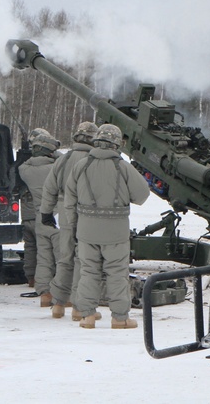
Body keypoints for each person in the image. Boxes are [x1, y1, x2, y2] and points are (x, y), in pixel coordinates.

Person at [64, 123, 150, 329]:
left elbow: (69, 200)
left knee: (88, 272)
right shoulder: (123, 167)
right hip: (116, 232)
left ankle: (87, 316)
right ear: (116, 143)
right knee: (117, 273)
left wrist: (76, 226)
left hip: (86, 231)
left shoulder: (81, 165)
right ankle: (120, 318)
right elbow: (142, 195)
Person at [41, 121, 98, 320]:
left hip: (65, 211)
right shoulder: (94, 160)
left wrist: (46, 212)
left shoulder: (63, 159)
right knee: (83, 259)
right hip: (87, 213)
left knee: (64, 258)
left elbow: (50, 188)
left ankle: (58, 304)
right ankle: (78, 305)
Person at [18, 127, 60, 303]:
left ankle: (43, 293)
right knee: (61, 258)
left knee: (42, 257)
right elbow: (65, 160)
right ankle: (62, 292)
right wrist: (54, 152)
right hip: (56, 218)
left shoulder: (25, 170)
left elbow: (24, 163)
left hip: (38, 218)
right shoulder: (56, 168)